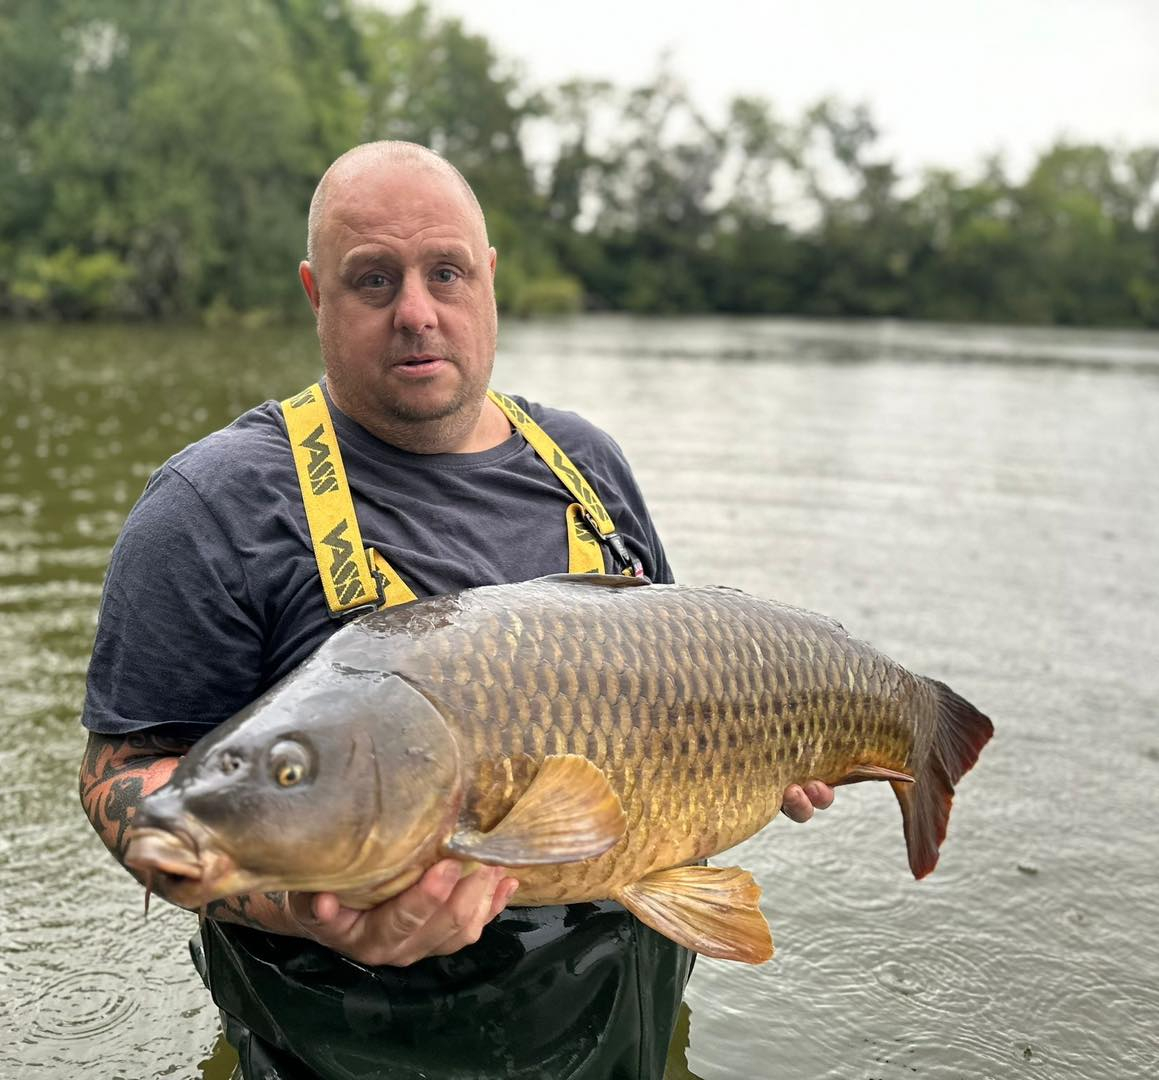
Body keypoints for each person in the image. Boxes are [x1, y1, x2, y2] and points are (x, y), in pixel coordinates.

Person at [78, 141, 834, 1080]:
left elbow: (676, 679)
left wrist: (757, 748)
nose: (416, 312)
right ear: (315, 294)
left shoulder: (586, 463)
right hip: (354, 1045)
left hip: (625, 1017)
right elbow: (126, 777)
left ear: (488, 280)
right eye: (373, 279)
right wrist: (307, 908)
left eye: (446, 272)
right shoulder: (212, 506)